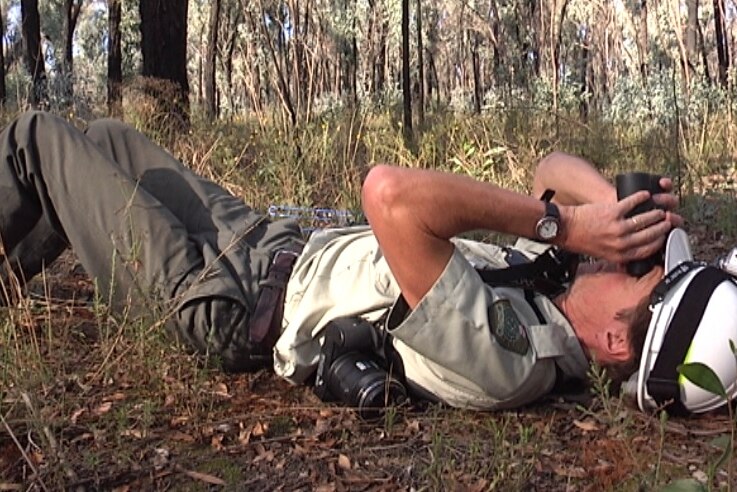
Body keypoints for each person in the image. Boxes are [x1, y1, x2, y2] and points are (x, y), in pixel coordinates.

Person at [0, 110, 681, 410]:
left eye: (632, 269)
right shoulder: (548, 287)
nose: (610, 259)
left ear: (614, 340)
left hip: (227, 301)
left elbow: (390, 194)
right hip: (262, 242)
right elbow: (549, 167)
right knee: (109, 140)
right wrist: (606, 214)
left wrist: (560, 223)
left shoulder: (512, 354)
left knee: (38, 139)